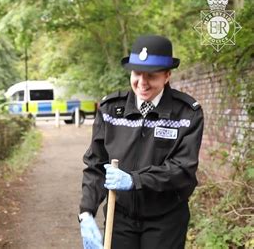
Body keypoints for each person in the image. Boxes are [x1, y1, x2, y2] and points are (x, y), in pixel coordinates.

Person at [78, 35, 204, 249]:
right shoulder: (110, 110)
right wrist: (86, 211)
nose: (142, 83)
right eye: (137, 74)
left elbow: (182, 169)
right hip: (120, 219)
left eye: (151, 76)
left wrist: (134, 180)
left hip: (166, 220)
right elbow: (96, 165)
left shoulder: (187, 114)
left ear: (167, 76)